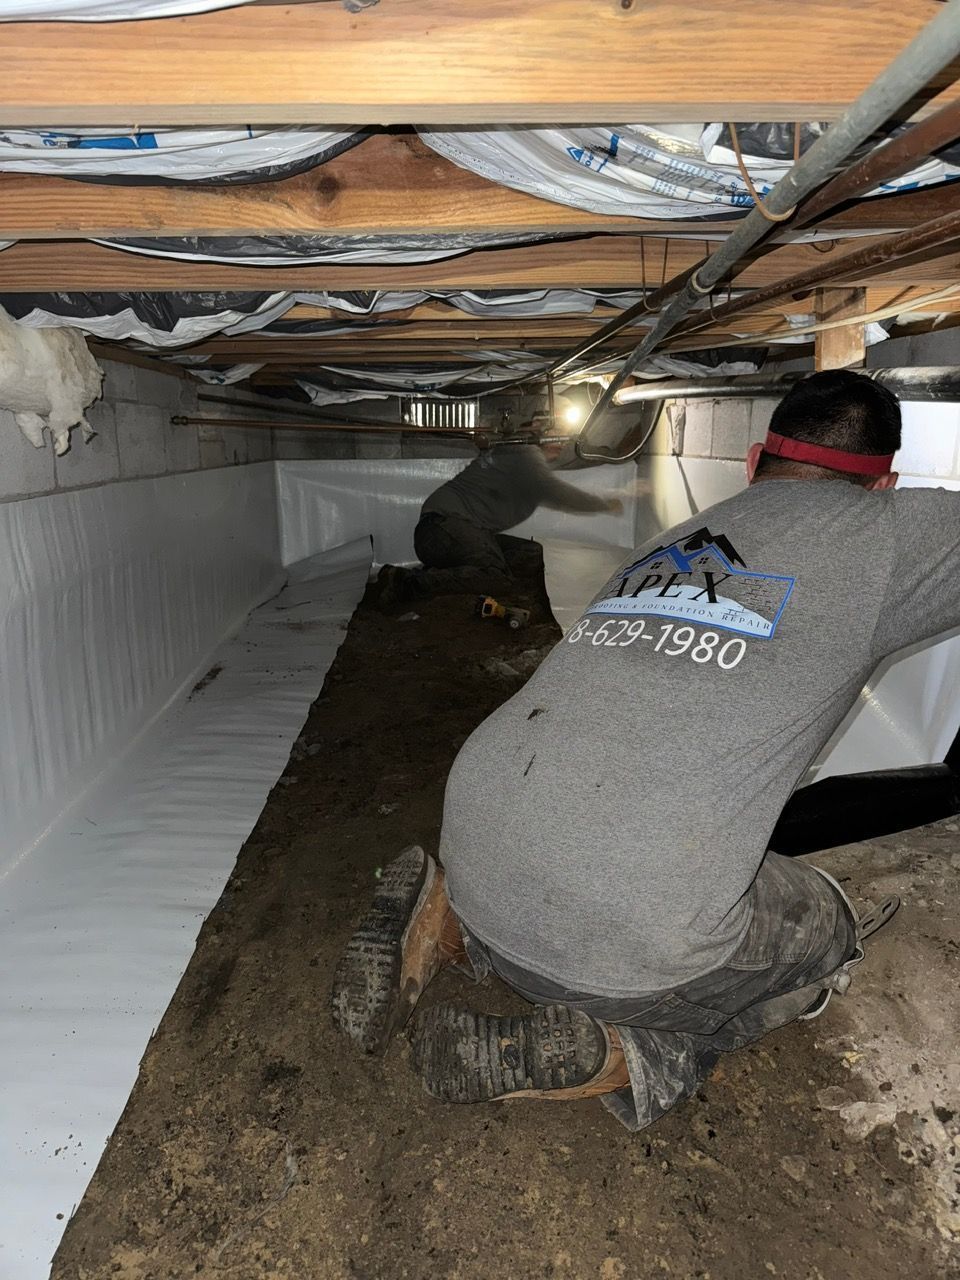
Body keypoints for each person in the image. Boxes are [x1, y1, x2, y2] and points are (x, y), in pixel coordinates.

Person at [333, 370, 951, 1131]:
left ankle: (450, 921)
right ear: (884, 485)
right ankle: (625, 1051)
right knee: (826, 930)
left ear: (754, 462)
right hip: (625, 926)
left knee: (605, 872)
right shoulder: (887, 534)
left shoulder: (675, 539)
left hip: (478, 829)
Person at [377, 425, 623, 607]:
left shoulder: (520, 457)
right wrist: (604, 505)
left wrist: (619, 451)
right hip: (442, 528)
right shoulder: (526, 455)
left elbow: (574, 461)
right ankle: (407, 582)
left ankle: (453, 575)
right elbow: (560, 494)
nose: (562, 441)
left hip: (449, 532)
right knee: (497, 576)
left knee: (531, 554)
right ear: (538, 432)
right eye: (556, 433)